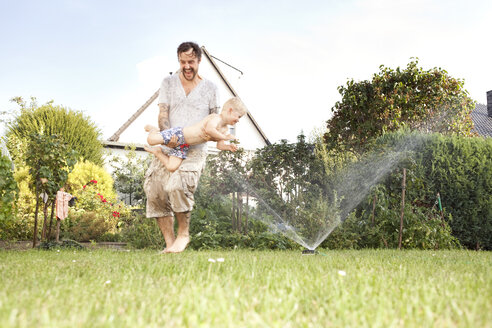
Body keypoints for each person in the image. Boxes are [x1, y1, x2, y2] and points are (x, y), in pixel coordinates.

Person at [143, 41, 220, 253]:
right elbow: (163, 113)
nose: (187, 66)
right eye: (182, 62)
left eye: (191, 62)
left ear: (199, 61)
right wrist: (167, 138)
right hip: (170, 145)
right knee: (155, 191)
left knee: (177, 185)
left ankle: (183, 234)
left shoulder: (211, 89)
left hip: (194, 150)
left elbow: (216, 118)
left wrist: (219, 138)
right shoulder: (168, 82)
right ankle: (170, 246)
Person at [144, 97, 246, 172]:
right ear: (230, 111)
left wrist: (228, 147)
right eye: (238, 116)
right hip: (179, 134)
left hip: (184, 145)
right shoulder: (216, 118)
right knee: (151, 140)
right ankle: (153, 129)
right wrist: (225, 137)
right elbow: (209, 129)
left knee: (172, 167)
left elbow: (219, 145)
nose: (238, 120)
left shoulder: (224, 129)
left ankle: (158, 152)